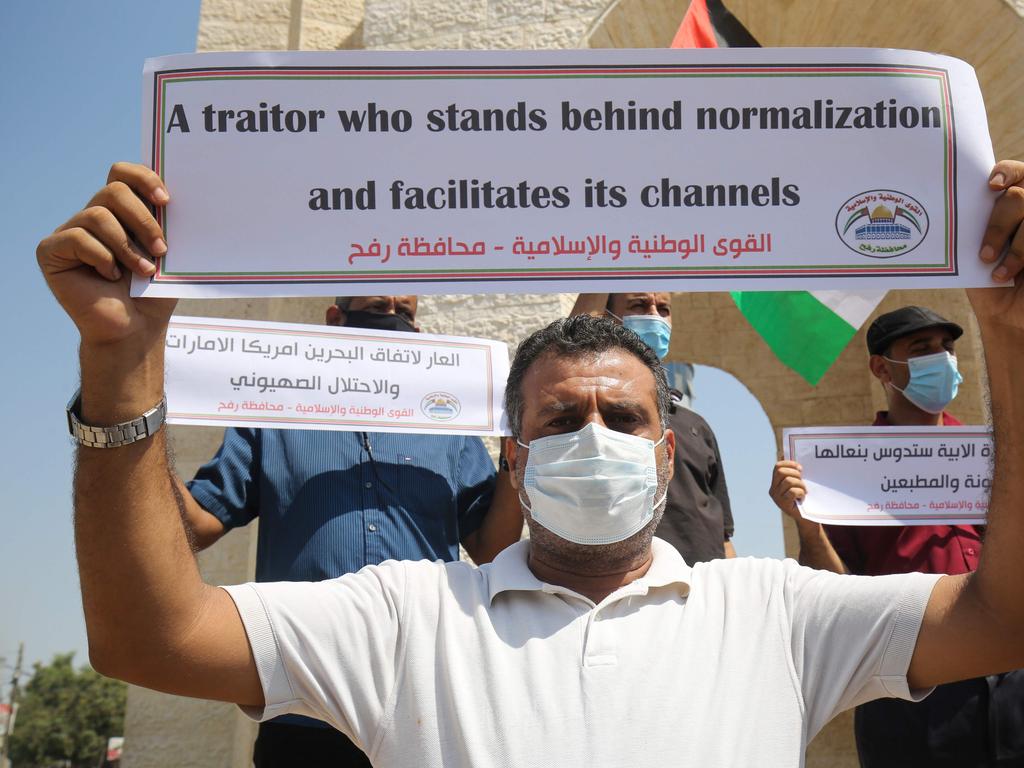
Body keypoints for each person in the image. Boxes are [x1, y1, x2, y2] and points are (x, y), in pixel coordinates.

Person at [38, 160, 1024, 767]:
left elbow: (1001, 617)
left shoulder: (771, 615)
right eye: (560, 420)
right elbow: (150, 638)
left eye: (620, 417)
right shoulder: (404, 617)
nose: (592, 438)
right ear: (515, 459)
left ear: (667, 448)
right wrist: (119, 366)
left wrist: (1010, 340)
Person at [173, 293, 524, 766]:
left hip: (424, 706)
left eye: (407, 315)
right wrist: (137, 422)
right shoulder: (273, 411)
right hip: (304, 702)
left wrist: (514, 448)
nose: (395, 324)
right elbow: (194, 522)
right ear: (334, 321)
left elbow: (492, 546)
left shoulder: (449, 427)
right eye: (380, 309)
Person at [769, 305, 1024, 766]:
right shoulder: (843, 475)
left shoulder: (992, 456)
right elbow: (832, 593)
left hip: (1009, 680)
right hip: (913, 689)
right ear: (881, 368)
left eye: (947, 348)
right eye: (921, 350)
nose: (942, 360)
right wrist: (808, 526)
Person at [571, 291, 735, 562]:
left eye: (663, 309)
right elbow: (570, 345)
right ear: (606, 318)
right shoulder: (591, 417)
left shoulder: (696, 426)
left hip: (703, 593)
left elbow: (723, 537)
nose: (654, 317)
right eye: (639, 306)